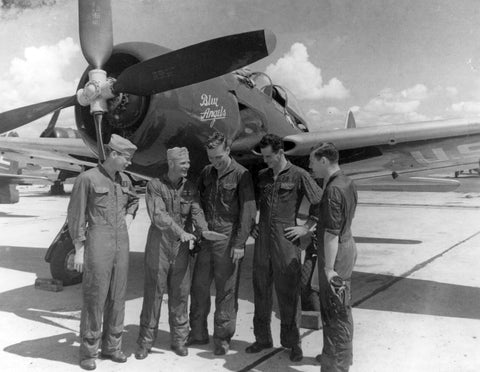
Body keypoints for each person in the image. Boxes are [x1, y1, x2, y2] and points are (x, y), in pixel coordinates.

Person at [246, 134, 323, 362]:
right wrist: (252, 225)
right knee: (260, 290)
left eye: (269, 156)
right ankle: (262, 339)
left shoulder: (299, 175)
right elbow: (251, 203)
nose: (266, 161)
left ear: (280, 153)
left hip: (286, 241)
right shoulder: (262, 176)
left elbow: (319, 203)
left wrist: (306, 227)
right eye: (263, 156)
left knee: (289, 294)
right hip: (262, 241)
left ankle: (292, 344)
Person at [68, 134, 139, 371]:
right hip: (98, 239)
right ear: (114, 154)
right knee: (95, 296)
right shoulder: (86, 179)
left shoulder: (126, 180)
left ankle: (112, 346)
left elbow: (133, 201)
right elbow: (76, 216)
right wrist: (79, 249)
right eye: (126, 158)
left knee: (118, 296)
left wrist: (128, 219)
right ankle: (89, 351)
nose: (129, 163)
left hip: (122, 241)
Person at [135, 147, 209, 360]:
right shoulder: (155, 185)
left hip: (182, 248)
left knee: (180, 294)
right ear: (171, 163)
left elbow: (196, 211)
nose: (187, 166)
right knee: (153, 294)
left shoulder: (190, 188)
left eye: (188, 163)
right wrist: (181, 232)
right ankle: (145, 342)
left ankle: (179, 340)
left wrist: (203, 230)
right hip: (159, 245)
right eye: (183, 163)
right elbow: (158, 215)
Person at [187, 131, 256, 355]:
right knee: (198, 287)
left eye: (218, 157)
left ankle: (222, 338)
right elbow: (196, 200)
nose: (215, 162)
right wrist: (201, 229)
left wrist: (239, 243)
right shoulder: (207, 172)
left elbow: (248, 211)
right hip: (207, 237)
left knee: (226, 290)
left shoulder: (241, 175)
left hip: (227, 238)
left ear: (227, 150)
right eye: (211, 158)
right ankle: (197, 333)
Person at [309, 142, 358, 372]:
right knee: (341, 307)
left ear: (323, 161)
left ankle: (336, 366)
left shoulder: (332, 190)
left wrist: (329, 269)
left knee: (335, 310)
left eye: (312, 162)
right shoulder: (347, 182)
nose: (310, 166)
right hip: (347, 246)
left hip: (335, 253)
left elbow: (330, 233)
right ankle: (337, 357)